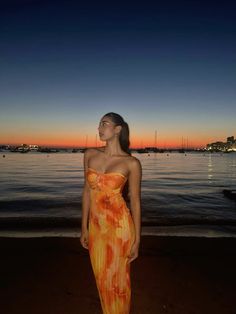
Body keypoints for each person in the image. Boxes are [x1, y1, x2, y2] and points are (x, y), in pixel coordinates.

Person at [80, 112, 142, 314]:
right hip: (96, 227)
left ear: (117, 129)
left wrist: (138, 239)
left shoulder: (131, 163)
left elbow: (135, 201)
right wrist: (83, 227)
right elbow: (87, 192)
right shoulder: (89, 154)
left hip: (120, 228)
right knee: (101, 276)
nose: (99, 128)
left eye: (104, 124)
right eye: (98, 124)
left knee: (118, 280)